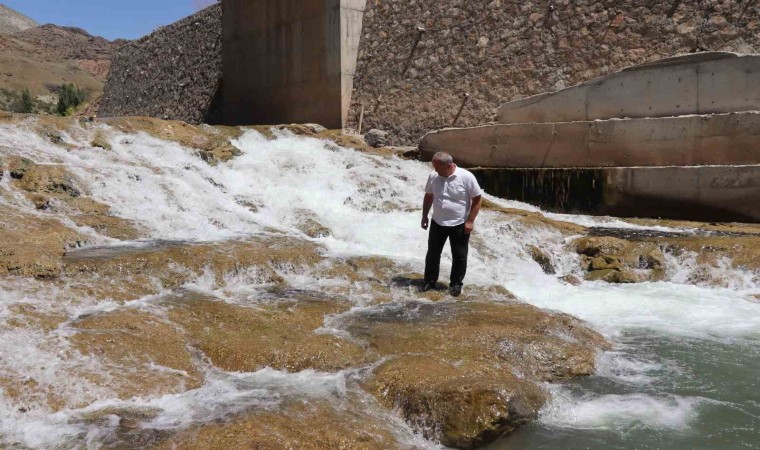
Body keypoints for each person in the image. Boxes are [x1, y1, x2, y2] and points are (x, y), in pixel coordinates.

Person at [420, 152, 483, 297]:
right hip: (437, 222)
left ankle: (456, 284)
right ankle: (430, 281)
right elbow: (429, 196)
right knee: (433, 254)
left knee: (459, 255)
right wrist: (424, 215)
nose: (435, 170)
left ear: (449, 166)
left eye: (437, 167)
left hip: (459, 223)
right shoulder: (434, 176)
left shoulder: (466, 177)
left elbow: (477, 199)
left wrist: (470, 221)